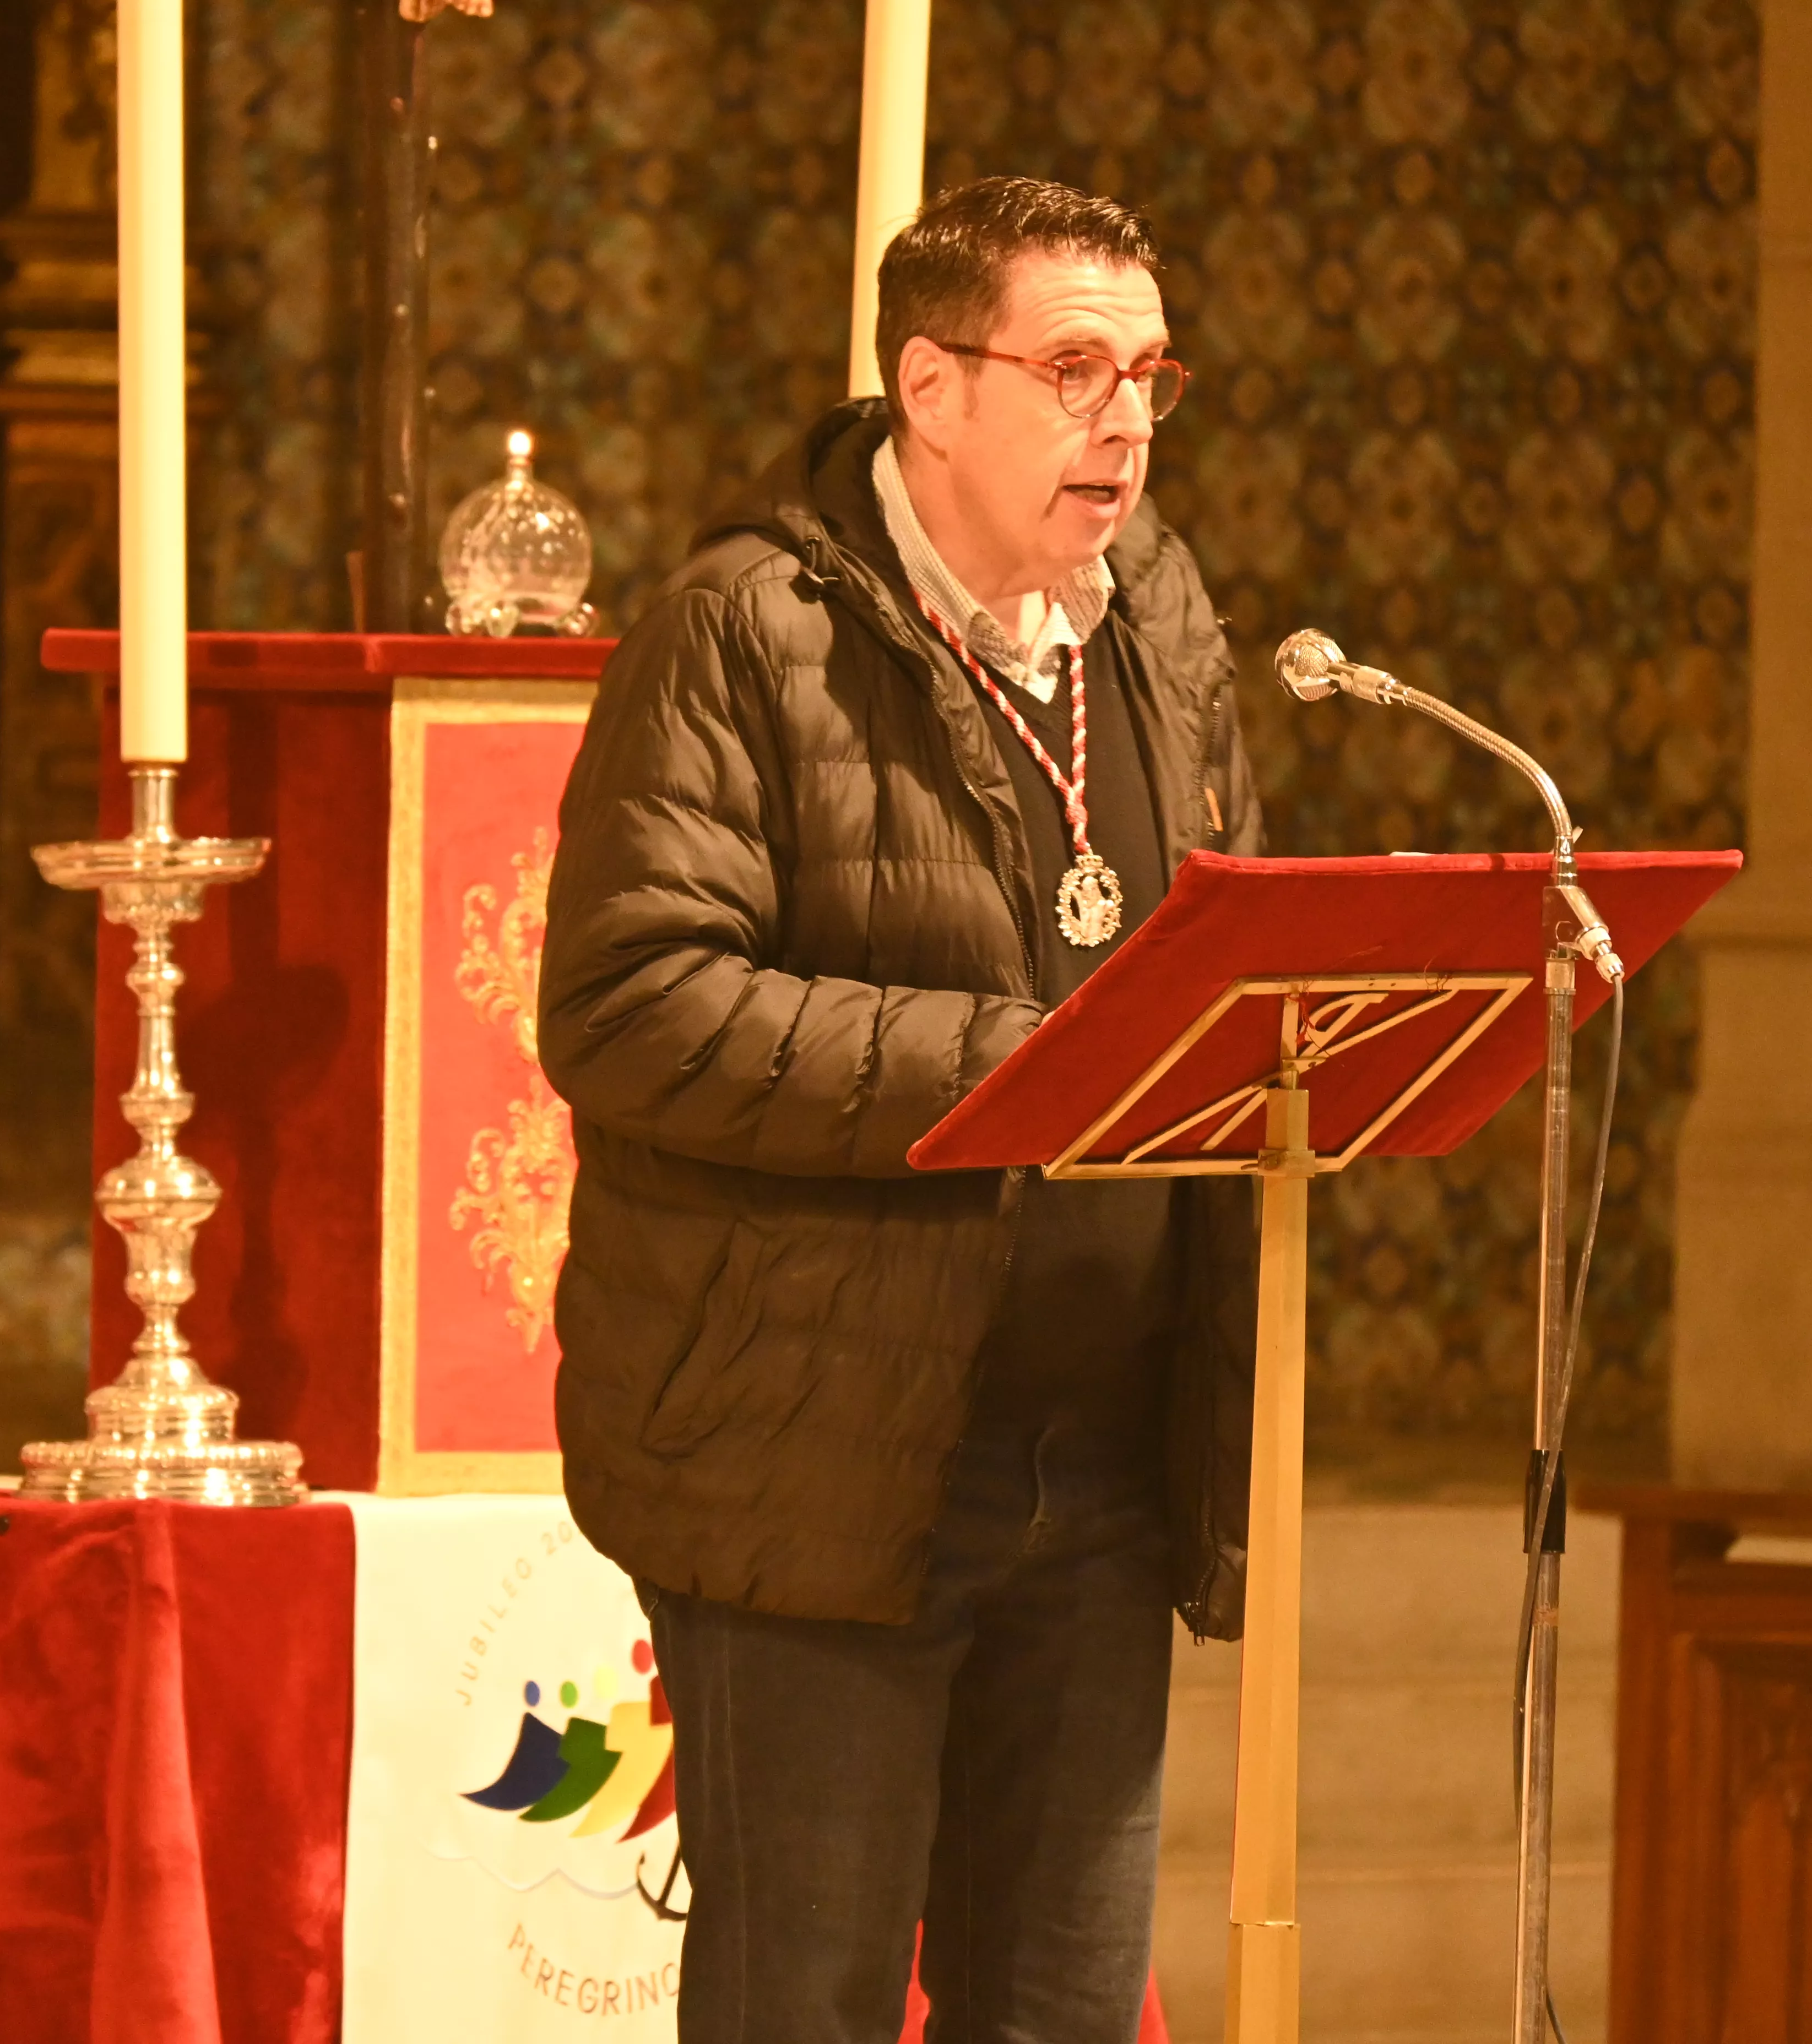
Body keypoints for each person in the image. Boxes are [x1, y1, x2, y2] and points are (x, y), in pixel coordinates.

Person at [538, 176, 1261, 2044]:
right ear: (932, 388)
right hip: (826, 1450)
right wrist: (1011, 1068)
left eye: (1151, 377)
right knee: (812, 2008)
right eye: (1078, 369)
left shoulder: (1157, 612)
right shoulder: (744, 629)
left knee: (1062, 2014)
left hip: (1102, 1453)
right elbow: (629, 1008)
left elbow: (1222, 929)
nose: (1126, 421)